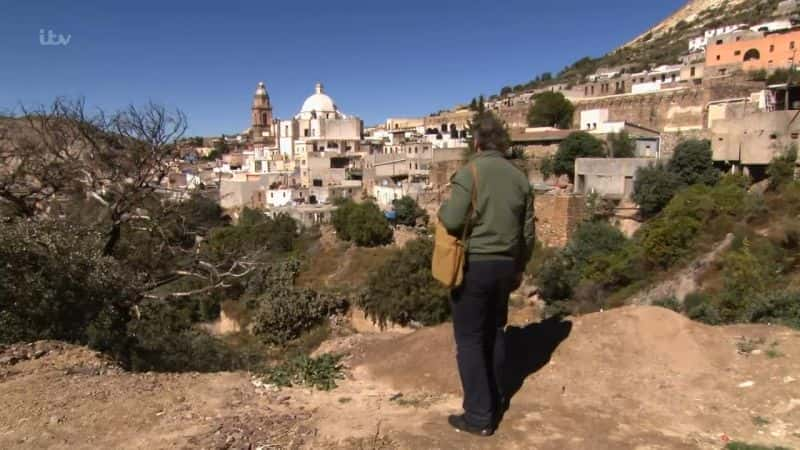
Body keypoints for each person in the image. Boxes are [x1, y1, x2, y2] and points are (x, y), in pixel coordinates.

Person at [437, 112, 534, 437]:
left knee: (470, 340)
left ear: (476, 143)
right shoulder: (520, 178)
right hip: (506, 265)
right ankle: (497, 397)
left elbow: (451, 220)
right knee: (495, 331)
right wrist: (520, 267)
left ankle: (479, 416)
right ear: (503, 144)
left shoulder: (471, 172)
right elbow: (528, 233)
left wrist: (441, 210)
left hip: (475, 265)